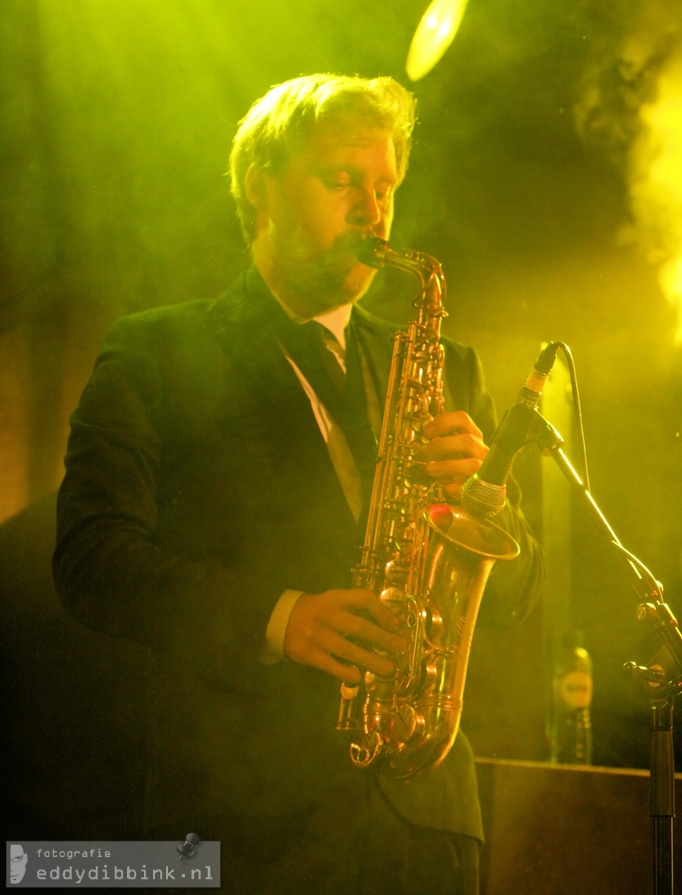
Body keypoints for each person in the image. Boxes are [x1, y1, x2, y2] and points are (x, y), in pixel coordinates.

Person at [54, 73, 543, 894]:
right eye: (340, 178)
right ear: (261, 189)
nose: (372, 208)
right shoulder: (156, 353)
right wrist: (281, 618)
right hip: (241, 825)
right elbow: (91, 560)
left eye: (385, 185)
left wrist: (488, 503)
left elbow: (517, 591)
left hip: (426, 819)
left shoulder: (448, 367)